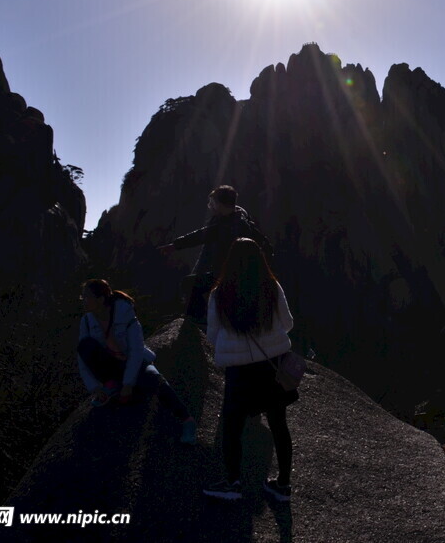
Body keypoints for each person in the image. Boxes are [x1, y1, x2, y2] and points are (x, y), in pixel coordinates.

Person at [202, 238, 298, 502]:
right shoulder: (271, 287)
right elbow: (288, 323)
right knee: (279, 424)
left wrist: (234, 344)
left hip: (239, 370)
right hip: (272, 365)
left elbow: (212, 334)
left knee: (232, 427)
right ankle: (283, 485)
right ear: (260, 259)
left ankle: (232, 483)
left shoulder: (219, 293)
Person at [77, 279, 197, 444]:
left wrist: (128, 384)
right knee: (85, 346)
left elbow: (136, 350)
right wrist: (95, 388)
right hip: (111, 365)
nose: (83, 300)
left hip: (133, 361)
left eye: (86, 297)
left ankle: (187, 420)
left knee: (154, 379)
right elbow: (82, 358)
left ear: (101, 299)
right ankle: (111, 384)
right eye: (82, 296)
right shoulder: (86, 321)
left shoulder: (124, 313)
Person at [158, 185, 272, 325]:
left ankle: (196, 323)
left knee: (190, 284)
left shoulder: (231, 226)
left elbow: (201, 235)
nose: (210, 206)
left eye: (212, 203)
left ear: (219, 204)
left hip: (230, 276)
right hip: (230, 273)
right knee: (193, 284)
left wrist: (174, 245)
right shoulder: (235, 219)